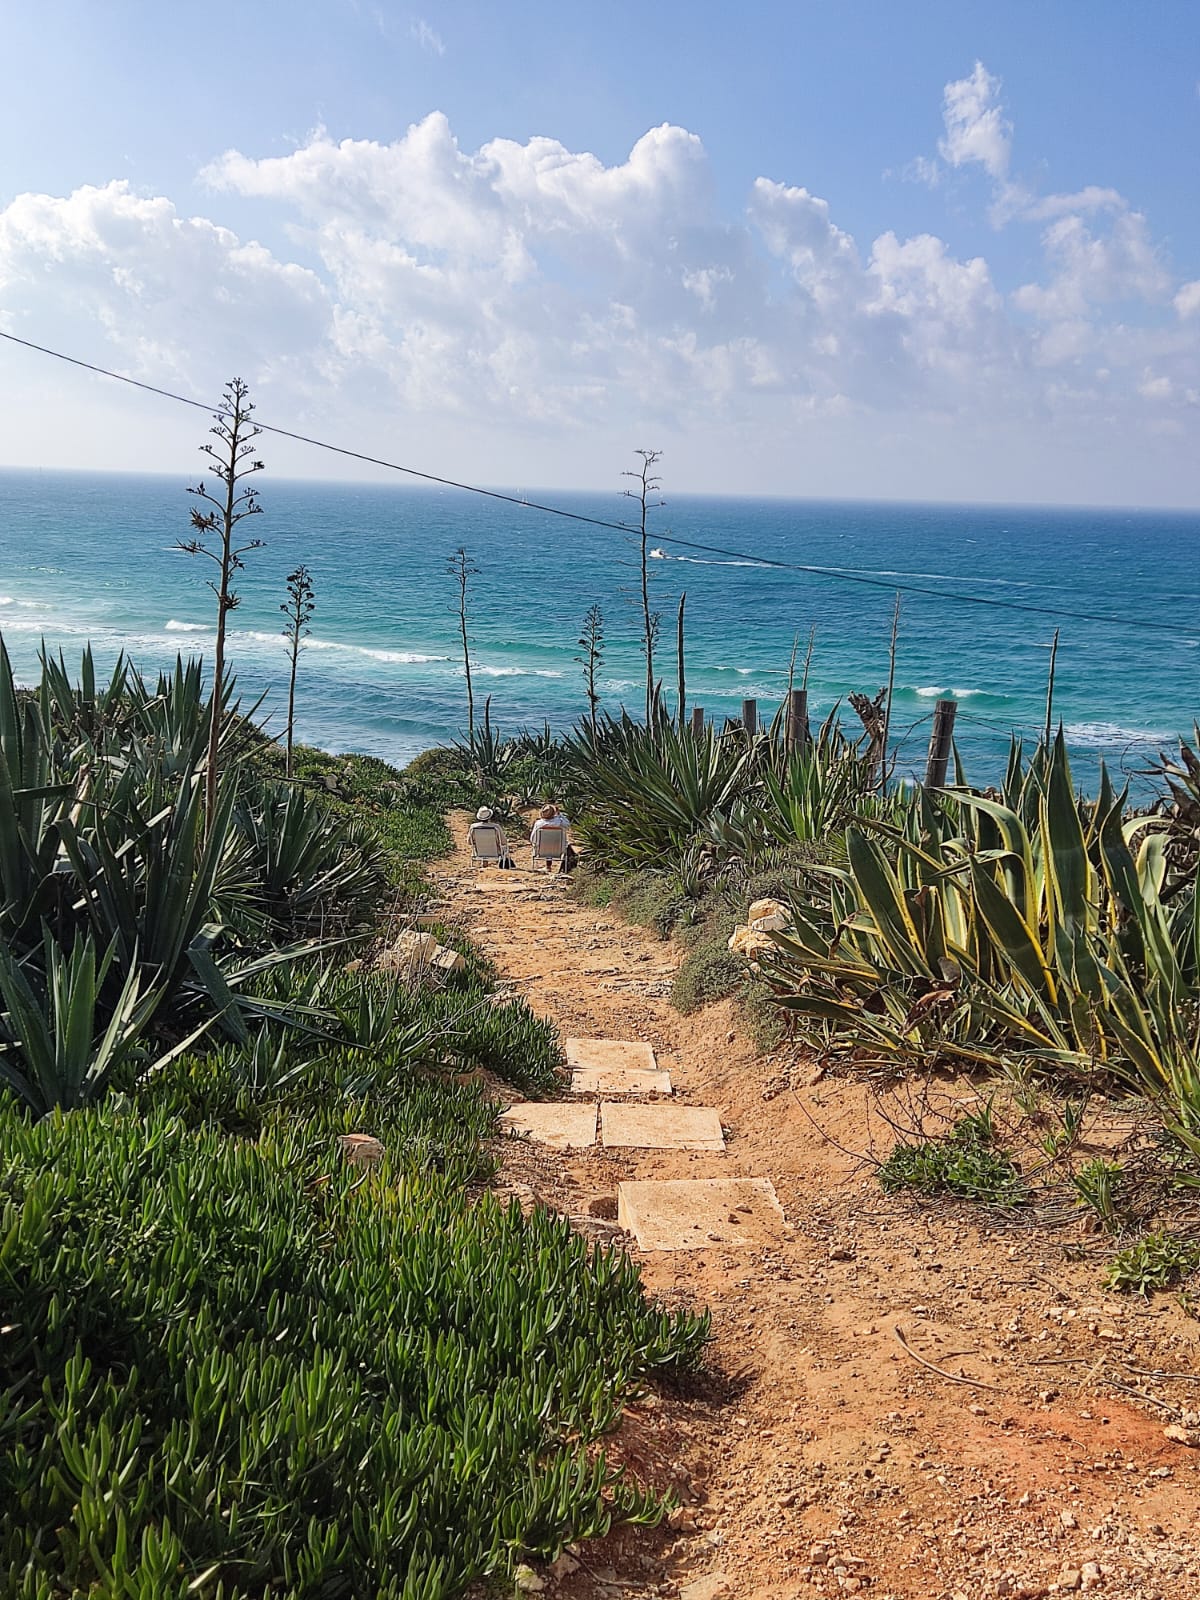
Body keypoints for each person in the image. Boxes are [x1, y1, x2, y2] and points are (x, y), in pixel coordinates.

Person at [529, 803, 567, 872]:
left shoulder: (539, 824)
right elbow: (568, 824)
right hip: (558, 850)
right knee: (552, 844)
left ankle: (548, 866)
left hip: (541, 850)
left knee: (546, 844)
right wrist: (559, 814)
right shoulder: (560, 822)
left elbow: (533, 839)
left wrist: (534, 844)